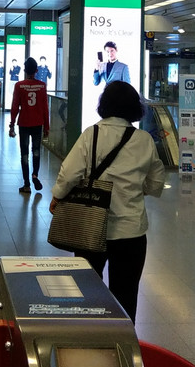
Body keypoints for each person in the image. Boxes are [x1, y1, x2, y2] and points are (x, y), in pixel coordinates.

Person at [50, 80, 164, 320]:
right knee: (126, 294)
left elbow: (69, 174)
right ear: (134, 107)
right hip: (131, 231)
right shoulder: (144, 139)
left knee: (89, 291)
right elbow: (156, 183)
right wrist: (136, 188)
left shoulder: (91, 134)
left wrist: (57, 196)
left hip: (91, 226)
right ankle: (123, 339)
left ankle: (93, 333)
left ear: (104, 104)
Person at [9, 56, 50, 195]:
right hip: (38, 123)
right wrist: (47, 126)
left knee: (24, 154)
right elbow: (45, 108)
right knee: (36, 151)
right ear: (36, 70)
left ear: (25, 70)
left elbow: (15, 106)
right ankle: (35, 175)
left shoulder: (19, 86)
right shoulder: (42, 86)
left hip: (24, 123)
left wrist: (11, 124)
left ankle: (26, 184)